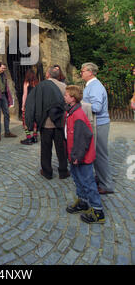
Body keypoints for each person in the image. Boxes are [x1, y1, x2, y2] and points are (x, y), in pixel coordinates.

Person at [64, 85, 105, 224]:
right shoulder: (70, 111)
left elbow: (83, 138)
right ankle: (83, 202)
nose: (64, 96)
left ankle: (98, 211)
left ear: (73, 98)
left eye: (66, 95)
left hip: (81, 157)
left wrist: (77, 156)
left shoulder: (78, 115)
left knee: (88, 182)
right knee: (78, 179)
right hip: (74, 155)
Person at [25, 66, 70, 179]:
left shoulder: (41, 86)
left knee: (46, 148)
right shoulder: (64, 86)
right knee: (61, 148)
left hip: (46, 123)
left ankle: (47, 171)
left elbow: (33, 104)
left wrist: (32, 121)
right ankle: (63, 171)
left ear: (48, 75)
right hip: (59, 122)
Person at [81, 62, 114, 194]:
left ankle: (106, 185)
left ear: (90, 72)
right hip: (97, 123)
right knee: (97, 154)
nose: (81, 73)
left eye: (82, 71)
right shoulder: (92, 85)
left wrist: (80, 105)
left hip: (99, 124)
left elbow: (96, 107)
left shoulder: (95, 87)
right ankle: (101, 178)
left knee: (100, 155)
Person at [21, 69, 39, 144]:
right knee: (35, 120)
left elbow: (25, 94)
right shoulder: (37, 83)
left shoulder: (26, 83)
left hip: (29, 103)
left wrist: (23, 105)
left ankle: (28, 137)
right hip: (36, 103)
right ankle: (35, 136)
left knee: (25, 120)